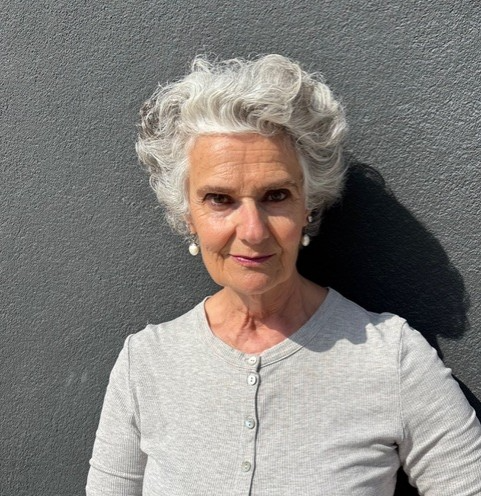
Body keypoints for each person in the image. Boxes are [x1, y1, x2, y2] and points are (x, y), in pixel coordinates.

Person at [86, 55, 481, 496]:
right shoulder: (146, 363)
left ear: (308, 204)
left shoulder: (391, 358)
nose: (253, 231)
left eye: (276, 195)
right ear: (187, 214)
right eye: (219, 199)